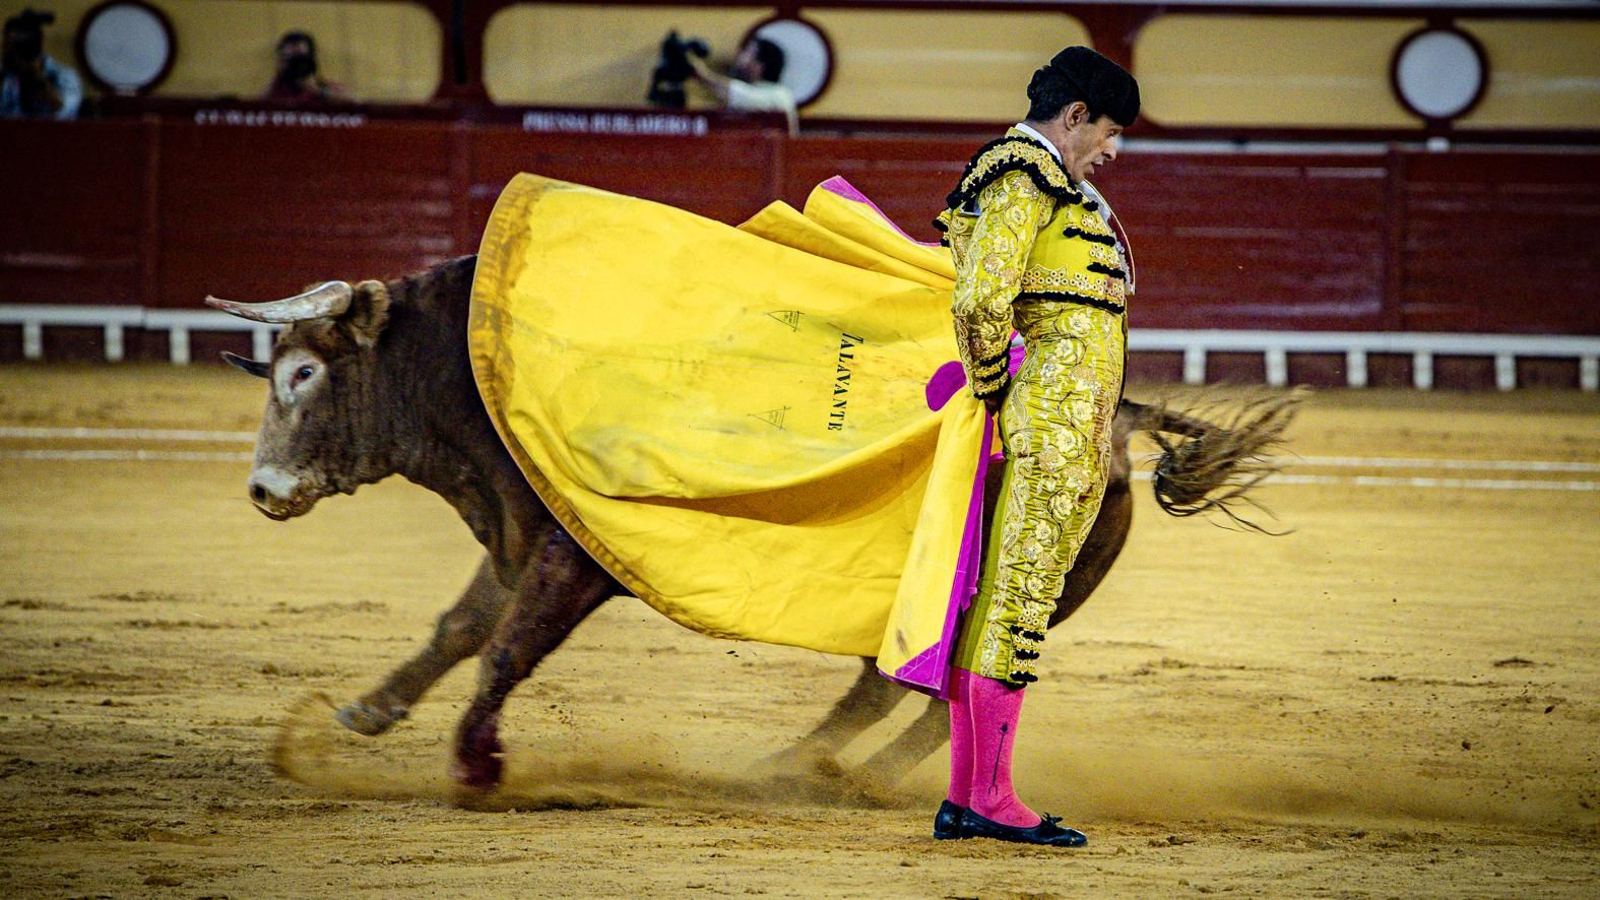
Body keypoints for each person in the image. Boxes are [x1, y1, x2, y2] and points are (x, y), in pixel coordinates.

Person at [932, 45, 1139, 848]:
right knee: (1015, 602)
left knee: (1013, 601)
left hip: (1070, 425)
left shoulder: (1053, 182)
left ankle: (969, 795)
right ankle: (987, 798)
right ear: (1076, 115)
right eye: (1110, 131)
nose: (1113, 151)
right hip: (1048, 424)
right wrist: (992, 389)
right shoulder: (1021, 168)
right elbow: (983, 295)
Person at [688, 36, 797, 134]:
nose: (739, 55)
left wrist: (700, 74)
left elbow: (740, 94)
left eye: (747, 52)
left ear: (759, 66)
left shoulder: (780, 95)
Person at [1, 8, 81, 120]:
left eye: (14, 47)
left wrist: (39, 79)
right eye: (6, 45)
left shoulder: (64, 76)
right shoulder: (4, 75)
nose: (6, 51)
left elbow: (66, 115)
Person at [264, 31, 349, 102]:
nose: (296, 64)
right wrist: (277, 77)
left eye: (300, 58)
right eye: (291, 59)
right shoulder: (276, 89)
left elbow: (351, 101)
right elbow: (256, 107)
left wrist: (317, 90)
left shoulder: (323, 87)